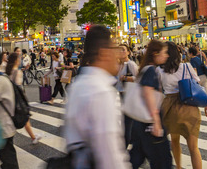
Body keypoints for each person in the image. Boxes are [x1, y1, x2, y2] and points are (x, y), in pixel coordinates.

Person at [63, 25, 129, 168]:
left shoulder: (79, 85)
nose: (118, 55)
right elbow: (110, 155)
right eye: (115, 49)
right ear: (104, 53)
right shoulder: (102, 92)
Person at [158, 42, 207, 169]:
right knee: (193, 147)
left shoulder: (160, 70)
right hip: (188, 106)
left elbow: (159, 91)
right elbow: (198, 86)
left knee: (174, 141)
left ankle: (179, 166)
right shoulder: (186, 66)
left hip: (170, 107)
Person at [128, 39, 172, 169]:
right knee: (163, 160)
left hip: (139, 122)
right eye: (164, 52)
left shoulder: (145, 69)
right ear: (155, 53)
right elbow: (148, 94)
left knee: (136, 157)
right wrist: (156, 121)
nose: (167, 55)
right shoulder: (150, 70)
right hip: (148, 122)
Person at [5, 52, 42, 145]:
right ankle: (33, 137)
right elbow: (19, 87)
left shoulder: (7, 70)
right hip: (17, 99)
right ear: (16, 61)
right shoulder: (18, 72)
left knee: (20, 119)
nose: (20, 61)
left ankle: (33, 137)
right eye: (18, 59)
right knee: (25, 118)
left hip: (10, 98)